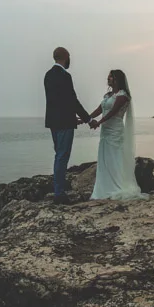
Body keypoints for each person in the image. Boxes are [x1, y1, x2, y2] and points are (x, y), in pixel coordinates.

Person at [87, 69, 148, 201]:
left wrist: (99, 122)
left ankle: (118, 185)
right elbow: (99, 110)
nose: (108, 79)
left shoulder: (123, 95)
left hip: (115, 130)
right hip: (105, 131)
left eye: (111, 77)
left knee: (115, 157)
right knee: (105, 158)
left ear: (118, 79)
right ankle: (104, 186)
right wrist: (86, 119)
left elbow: (114, 111)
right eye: (108, 77)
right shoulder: (107, 96)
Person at [44, 47, 91, 204]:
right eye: (69, 56)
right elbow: (71, 100)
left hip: (53, 121)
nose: (70, 59)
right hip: (64, 122)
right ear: (65, 57)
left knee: (59, 155)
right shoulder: (65, 76)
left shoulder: (48, 75)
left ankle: (58, 190)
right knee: (62, 156)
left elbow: (55, 101)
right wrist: (88, 119)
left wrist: (74, 117)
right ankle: (59, 193)